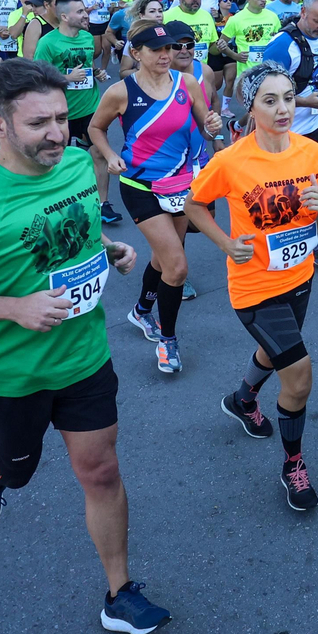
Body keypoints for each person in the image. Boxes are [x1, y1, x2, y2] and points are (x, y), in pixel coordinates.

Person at [0, 59, 164, 634]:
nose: (56, 134)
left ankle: (119, 593)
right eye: (38, 123)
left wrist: (108, 249)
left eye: (62, 119)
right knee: (20, 470)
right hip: (10, 373)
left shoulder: (73, 163)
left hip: (85, 357)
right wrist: (11, 307)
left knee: (100, 471)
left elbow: (77, 231)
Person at [185, 62, 318, 511]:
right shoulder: (231, 160)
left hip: (299, 276)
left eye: (289, 98)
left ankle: (243, 398)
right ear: (251, 107)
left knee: (274, 350)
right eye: (270, 100)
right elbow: (193, 203)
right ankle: (292, 464)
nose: (283, 109)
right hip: (254, 286)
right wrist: (225, 243)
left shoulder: (311, 153)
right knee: (297, 374)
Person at [89, 22, 220, 374]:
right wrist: (109, 154)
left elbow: (205, 126)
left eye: (170, 49)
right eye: (157, 50)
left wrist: (214, 127)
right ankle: (168, 341)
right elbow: (95, 128)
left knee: (165, 260)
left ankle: (141, 311)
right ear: (136, 53)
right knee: (177, 266)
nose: (167, 55)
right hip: (140, 186)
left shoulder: (187, 83)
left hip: (181, 186)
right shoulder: (121, 92)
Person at [260, 0, 318, 274]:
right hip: (284, 130)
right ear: (302, 12)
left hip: (317, 125)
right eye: (317, 20)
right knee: (281, 194)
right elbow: (264, 94)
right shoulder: (282, 45)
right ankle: (276, 244)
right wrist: (306, 101)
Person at [27, 0, 120, 226]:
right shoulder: (48, 43)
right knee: (58, 158)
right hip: (60, 113)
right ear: (65, 16)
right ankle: (59, 205)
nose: (85, 15)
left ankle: (102, 204)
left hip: (89, 107)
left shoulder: (88, 38)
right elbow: (38, 78)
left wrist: (95, 72)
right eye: (80, 12)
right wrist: (68, 78)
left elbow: (87, 65)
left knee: (98, 152)